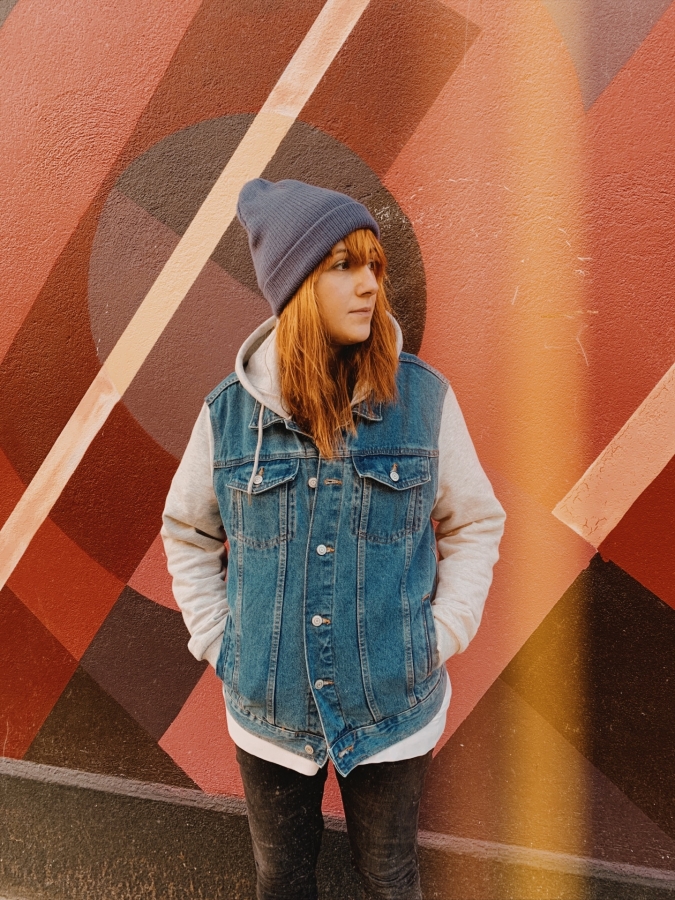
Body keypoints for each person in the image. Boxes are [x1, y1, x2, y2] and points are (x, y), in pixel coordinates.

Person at [161, 179, 505, 900]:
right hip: (268, 711)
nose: (369, 285)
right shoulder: (229, 418)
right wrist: (221, 642)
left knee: (389, 879)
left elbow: (473, 523)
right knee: (282, 878)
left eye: (373, 266)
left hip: (393, 709)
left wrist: (439, 633)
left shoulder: (422, 402)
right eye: (343, 267)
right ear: (293, 287)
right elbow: (187, 531)